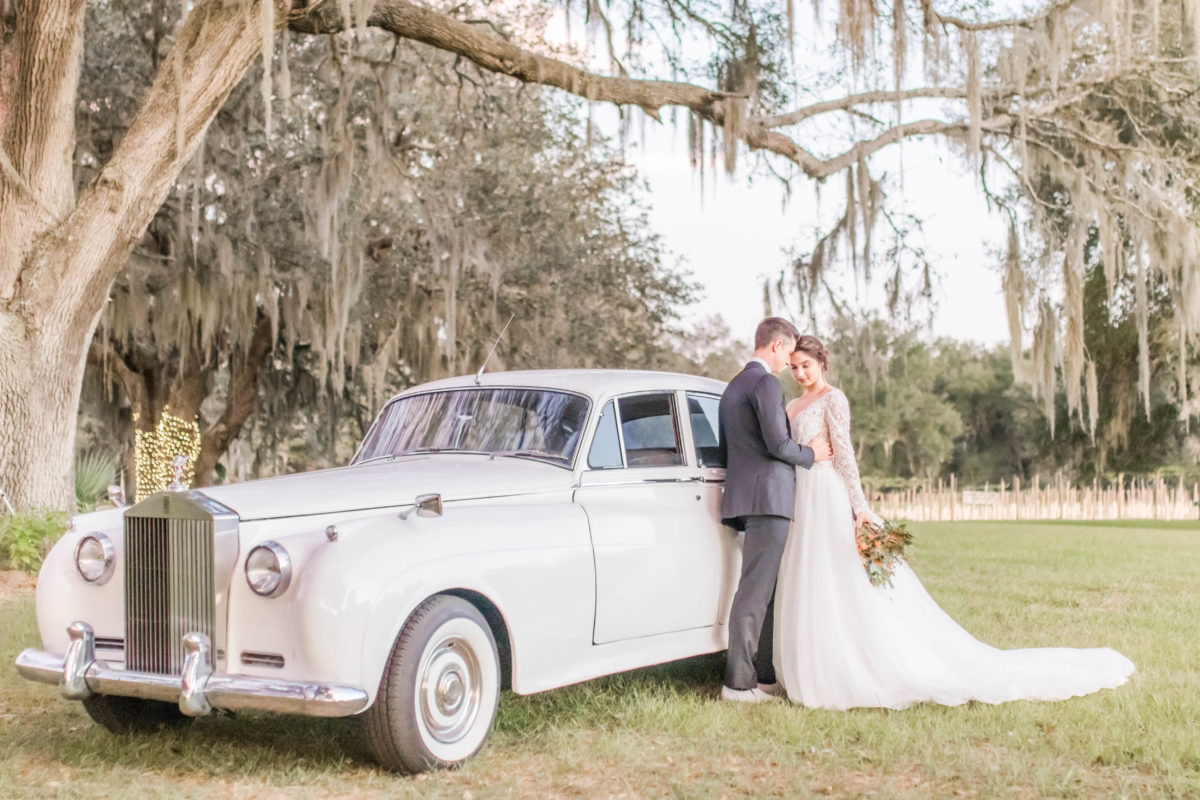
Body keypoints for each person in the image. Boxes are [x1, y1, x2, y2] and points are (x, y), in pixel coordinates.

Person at [772, 334, 1135, 709]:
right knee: (808, 574)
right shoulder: (794, 404)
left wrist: (860, 506)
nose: (800, 373)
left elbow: (845, 454)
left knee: (839, 576)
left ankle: (852, 666)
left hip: (828, 493)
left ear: (822, 363)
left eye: (807, 366)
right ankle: (815, 661)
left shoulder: (834, 399)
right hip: (801, 493)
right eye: (795, 367)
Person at [717, 318, 833, 703]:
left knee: (762, 589)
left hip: (745, 498)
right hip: (768, 499)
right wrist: (811, 454)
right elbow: (778, 444)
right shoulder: (765, 384)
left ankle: (762, 675)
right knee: (754, 591)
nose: (790, 364)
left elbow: (727, 450)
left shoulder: (733, 386)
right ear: (777, 346)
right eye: (788, 354)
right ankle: (738, 684)